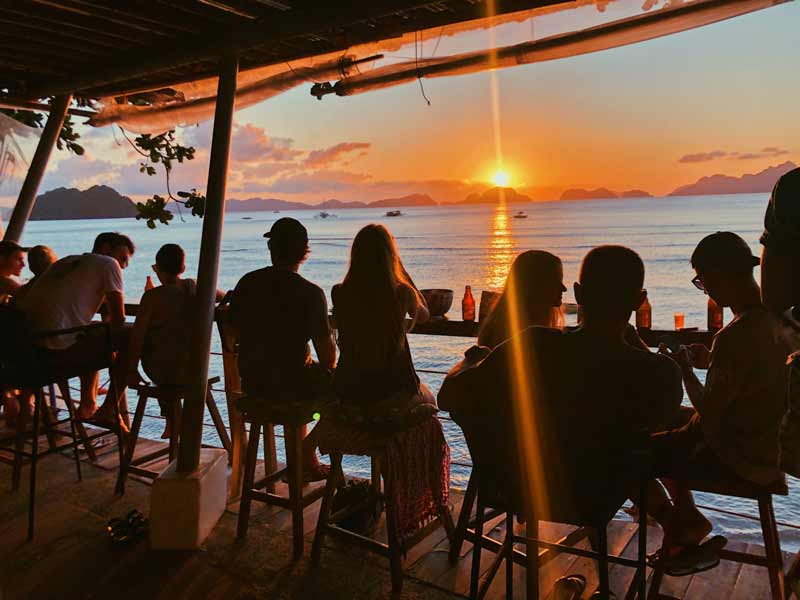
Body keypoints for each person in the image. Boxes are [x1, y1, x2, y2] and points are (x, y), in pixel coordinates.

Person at [439, 246, 683, 545]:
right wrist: (636, 345)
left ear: (578, 294)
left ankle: (680, 521)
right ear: (639, 300)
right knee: (646, 445)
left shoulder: (531, 344)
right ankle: (677, 520)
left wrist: (470, 359)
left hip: (518, 485)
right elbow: (663, 426)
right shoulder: (659, 373)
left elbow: (447, 398)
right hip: (597, 498)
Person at [654, 232, 800, 572]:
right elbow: (750, 380)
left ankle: (682, 522)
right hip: (768, 451)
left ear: (718, 276)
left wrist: (684, 370)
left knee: (635, 450)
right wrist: (711, 364)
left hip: (735, 455)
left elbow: (712, 414)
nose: (705, 289)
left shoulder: (734, 335)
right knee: (666, 418)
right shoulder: (779, 320)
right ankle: (688, 520)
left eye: (702, 281)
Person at [228, 218, 335, 480]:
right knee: (344, 389)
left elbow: (231, 334)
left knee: (302, 373)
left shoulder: (247, 283)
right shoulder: (311, 293)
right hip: (292, 388)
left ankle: (305, 458)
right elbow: (328, 357)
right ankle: (306, 453)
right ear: (304, 252)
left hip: (255, 384)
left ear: (271, 249)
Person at [17, 232, 134, 428]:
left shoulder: (68, 261)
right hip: (52, 353)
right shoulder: (107, 263)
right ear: (105, 248)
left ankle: (89, 403)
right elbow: (119, 317)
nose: (123, 266)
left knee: (95, 335)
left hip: (25, 353)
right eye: (122, 258)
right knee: (131, 337)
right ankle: (106, 410)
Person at [330, 223, 434, 412]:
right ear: (390, 257)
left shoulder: (339, 292)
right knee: (430, 400)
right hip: (392, 392)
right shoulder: (403, 293)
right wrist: (403, 274)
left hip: (350, 389)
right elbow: (424, 315)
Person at [126, 244, 225, 439]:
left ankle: (172, 420)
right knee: (172, 353)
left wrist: (131, 370)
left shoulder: (152, 297)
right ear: (182, 268)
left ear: (158, 269)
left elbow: (137, 338)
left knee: (160, 355)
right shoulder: (194, 287)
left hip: (164, 372)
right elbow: (223, 296)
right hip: (195, 368)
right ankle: (176, 422)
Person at [477, 250, 565, 349]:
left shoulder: (501, 327)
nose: (564, 288)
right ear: (534, 284)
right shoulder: (506, 336)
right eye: (555, 281)